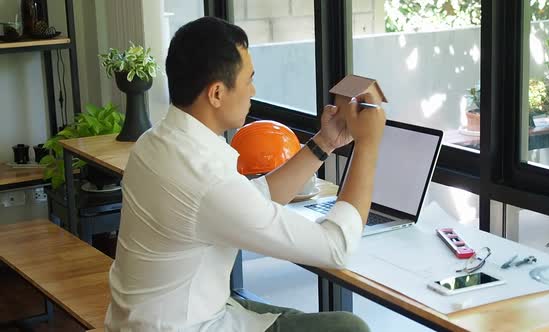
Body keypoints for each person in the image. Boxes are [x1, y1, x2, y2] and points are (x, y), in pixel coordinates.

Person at [105, 16, 386, 332]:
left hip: (148, 319)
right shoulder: (207, 179)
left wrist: (324, 144)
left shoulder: (154, 143)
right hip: (188, 324)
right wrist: (369, 143)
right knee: (349, 328)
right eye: (248, 79)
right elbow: (337, 248)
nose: (253, 90)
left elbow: (251, 199)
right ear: (216, 93)